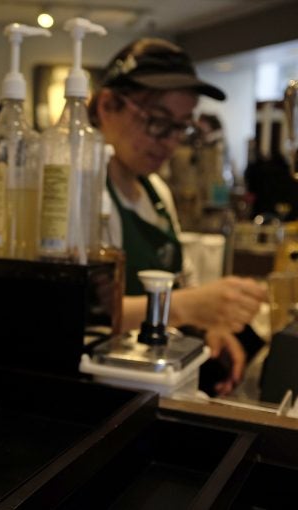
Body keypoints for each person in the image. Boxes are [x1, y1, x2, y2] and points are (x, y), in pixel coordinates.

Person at [88, 38, 268, 396]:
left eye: (182, 126)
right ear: (108, 105)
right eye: (158, 122)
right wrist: (191, 307)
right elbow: (90, 316)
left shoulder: (157, 191)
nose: (171, 143)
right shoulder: (86, 191)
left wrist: (209, 327)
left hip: (157, 381)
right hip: (106, 388)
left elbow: (179, 285)